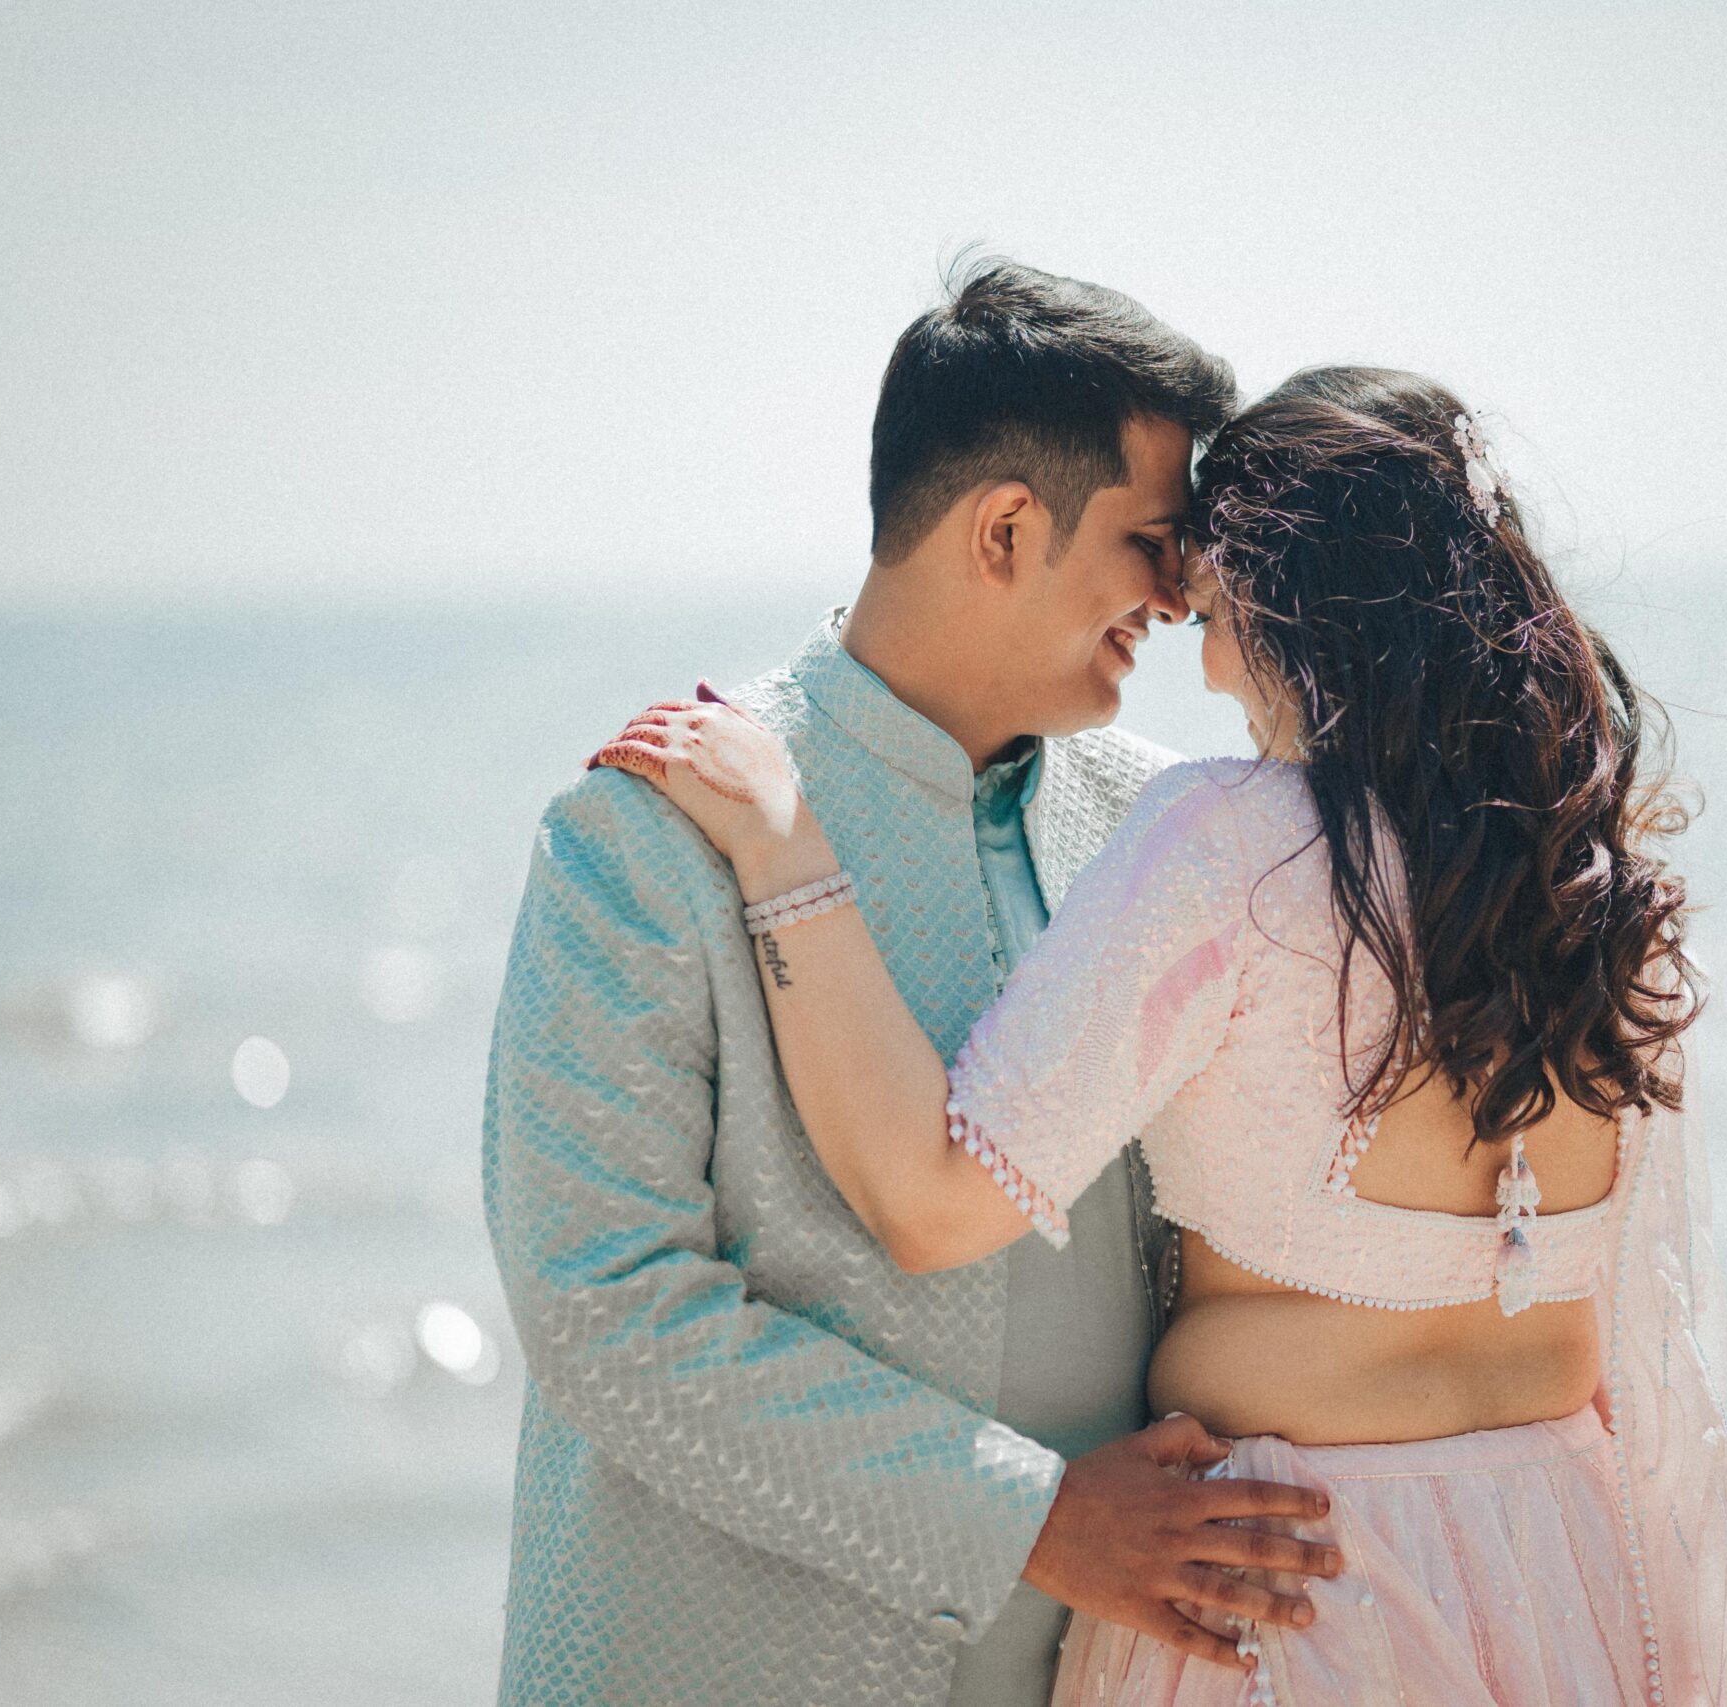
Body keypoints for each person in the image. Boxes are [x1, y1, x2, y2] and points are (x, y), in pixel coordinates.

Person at [594, 367, 1727, 1706]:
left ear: (1299, 606)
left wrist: (782, 849)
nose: (1206, 665)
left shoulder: (1232, 846)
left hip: (1289, 1595)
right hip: (1563, 1581)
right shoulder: (1607, 903)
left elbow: (929, 1203)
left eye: (1212, 613)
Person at [482, 259, 1342, 1707]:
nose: (1180, 592)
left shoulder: (1172, 834)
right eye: (1151, 540)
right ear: (1005, 529)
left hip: (1092, 1674)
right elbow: (605, 1314)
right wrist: (1037, 1525)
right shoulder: (644, 830)